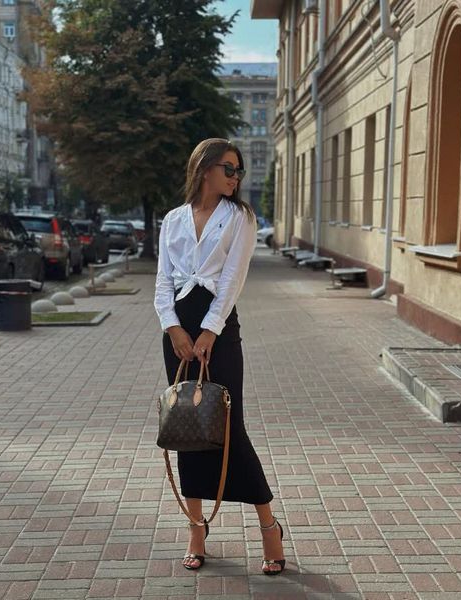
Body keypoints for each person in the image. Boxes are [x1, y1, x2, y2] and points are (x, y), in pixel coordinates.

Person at [154, 138, 285, 575]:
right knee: (186, 428)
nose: (235, 177)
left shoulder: (240, 217)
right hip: (177, 332)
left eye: (238, 170)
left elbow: (233, 278)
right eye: (228, 168)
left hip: (219, 328)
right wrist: (172, 327)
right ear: (204, 168)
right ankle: (196, 529)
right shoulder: (173, 220)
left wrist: (210, 330)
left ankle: (269, 526)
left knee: (230, 428)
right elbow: (163, 281)